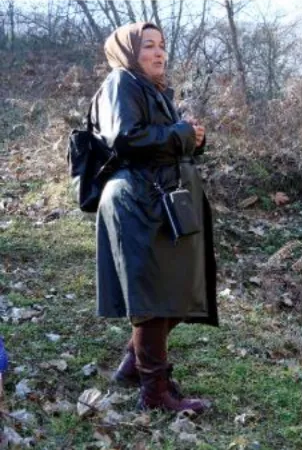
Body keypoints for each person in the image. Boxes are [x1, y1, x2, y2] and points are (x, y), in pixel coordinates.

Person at [93, 22, 217, 414]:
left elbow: (164, 142)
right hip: (137, 202)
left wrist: (191, 138)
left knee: (177, 291)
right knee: (152, 297)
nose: (159, 53)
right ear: (129, 51)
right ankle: (155, 393)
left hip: (161, 202)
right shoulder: (121, 82)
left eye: (162, 45)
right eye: (148, 46)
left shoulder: (153, 89)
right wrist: (179, 134)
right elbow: (124, 139)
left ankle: (135, 365)